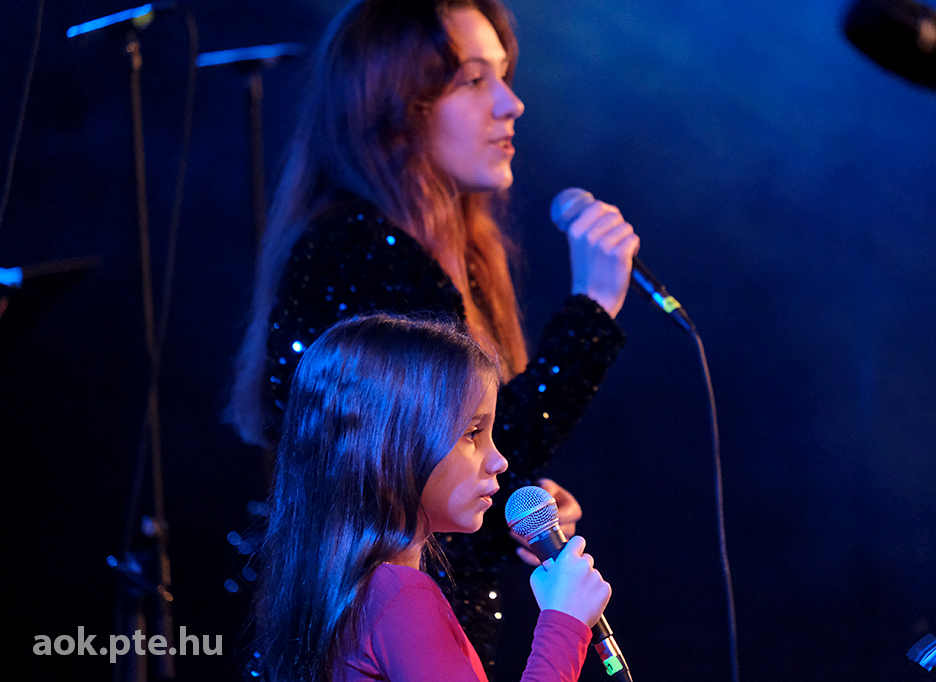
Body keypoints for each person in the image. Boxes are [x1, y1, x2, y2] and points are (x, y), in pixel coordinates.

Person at [228, 0, 638, 666]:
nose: (510, 104)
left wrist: (511, 508)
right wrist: (591, 312)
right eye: (473, 80)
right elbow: (380, 472)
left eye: (503, 76)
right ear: (393, 108)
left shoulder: (456, 257)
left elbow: (443, 460)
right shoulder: (353, 252)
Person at [259, 314, 612, 682]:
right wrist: (564, 624)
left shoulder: (344, 586)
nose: (499, 460)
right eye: (473, 434)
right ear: (392, 447)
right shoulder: (399, 595)